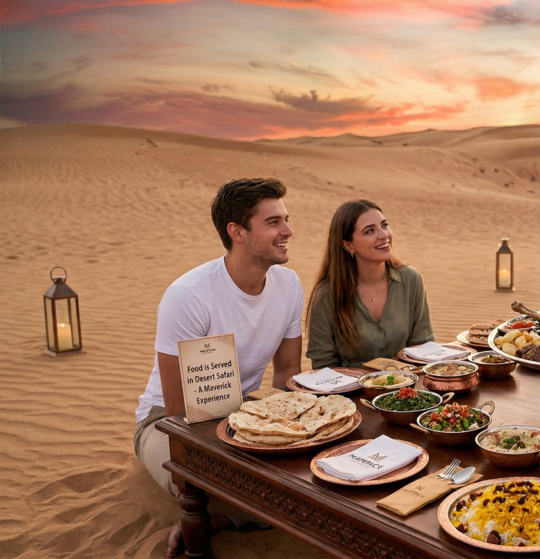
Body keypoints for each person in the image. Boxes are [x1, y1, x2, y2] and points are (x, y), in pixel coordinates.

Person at [133, 177, 304, 557]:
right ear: (237, 231)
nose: (288, 230)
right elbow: (179, 411)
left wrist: (288, 432)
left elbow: (287, 375)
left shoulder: (289, 285)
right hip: (167, 423)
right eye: (273, 222)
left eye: (286, 219)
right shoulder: (189, 296)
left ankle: (223, 517)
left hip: (242, 412)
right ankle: (221, 510)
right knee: (224, 483)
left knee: (305, 482)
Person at [305, 199, 433, 368]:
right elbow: (323, 365)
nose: (383, 235)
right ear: (348, 245)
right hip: (349, 392)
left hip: (407, 388)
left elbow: (423, 348)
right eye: (370, 231)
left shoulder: (411, 279)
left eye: (384, 225)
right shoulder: (327, 295)